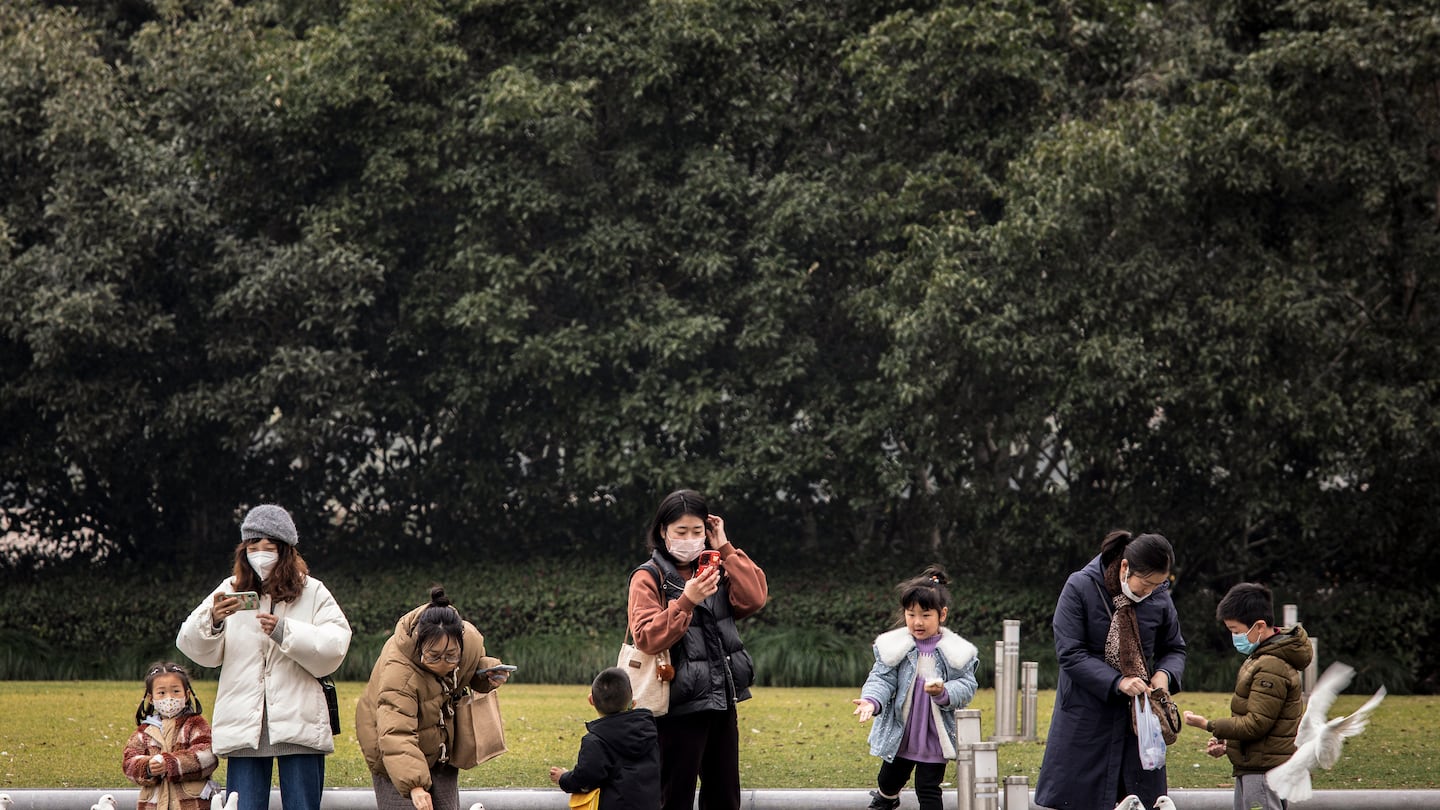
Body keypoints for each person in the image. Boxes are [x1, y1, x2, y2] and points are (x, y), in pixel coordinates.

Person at [176, 504, 352, 810]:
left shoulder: (313, 592)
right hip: (245, 724)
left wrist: (285, 632)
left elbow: (335, 646)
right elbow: (191, 645)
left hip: (300, 723)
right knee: (242, 806)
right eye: (252, 546)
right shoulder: (231, 590)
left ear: (285, 550)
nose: (260, 553)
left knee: (302, 805)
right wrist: (213, 621)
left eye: (268, 547)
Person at [627, 488, 768, 810]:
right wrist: (687, 599)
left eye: (697, 531)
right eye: (681, 531)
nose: (690, 539)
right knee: (672, 795)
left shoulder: (716, 570)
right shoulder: (649, 576)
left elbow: (754, 598)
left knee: (724, 796)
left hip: (720, 700)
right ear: (663, 532)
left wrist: (725, 547)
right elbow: (646, 637)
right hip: (674, 704)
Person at [1034, 530, 1187, 810]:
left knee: (1142, 800)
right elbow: (1070, 653)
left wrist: (1164, 675)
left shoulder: (1159, 598)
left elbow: (1174, 648)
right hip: (1085, 717)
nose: (1150, 591)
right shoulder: (1080, 587)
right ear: (1126, 567)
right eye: (1147, 583)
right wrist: (1118, 682)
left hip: (1139, 723)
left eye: (1158, 584)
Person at [356, 587, 513, 810]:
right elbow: (395, 733)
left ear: (461, 642)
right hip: (390, 750)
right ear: (419, 645)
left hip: (440, 747)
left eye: (451, 656)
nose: (444, 664)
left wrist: (486, 673)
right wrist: (415, 786)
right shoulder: (399, 673)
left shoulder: (471, 642)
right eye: (434, 656)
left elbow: (470, 668)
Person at [851, 566, 979, 810]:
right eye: (911, 614)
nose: (918, 622)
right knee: (888, 781)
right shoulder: (895, 647)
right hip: (903, 732)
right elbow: (882, 678)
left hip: (934, 735)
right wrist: (871, 700)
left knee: (928, 788)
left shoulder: (956, 651)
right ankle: (886, 800)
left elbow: (967, 685)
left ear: (942, 615)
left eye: (925, 615)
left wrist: (944, 692)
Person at [1181, 582, 1311, 810]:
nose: (1234, 637)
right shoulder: (1263, 658)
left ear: (1259, 626)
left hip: (1262, 772)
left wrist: (1209, 725)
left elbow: (1256, 724)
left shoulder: (1271, 666)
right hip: (1255, 766)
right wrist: (1229, 743)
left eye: (1236, 631)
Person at [548, 666, 661, 810]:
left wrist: (563, 778)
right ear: (633, 703)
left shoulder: (595, 741)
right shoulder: (648, 731)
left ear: (591, 700)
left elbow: (585, 779)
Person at [121, 661, 219, 810]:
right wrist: (147, 767)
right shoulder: (145, 731)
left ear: (186, 695)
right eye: (161, 693)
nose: (169, 697)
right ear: (151, 698)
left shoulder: (195, 724)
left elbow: (207, 756)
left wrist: (171, 764)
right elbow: (128, 763)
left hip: (192, 804)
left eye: (175, 691)